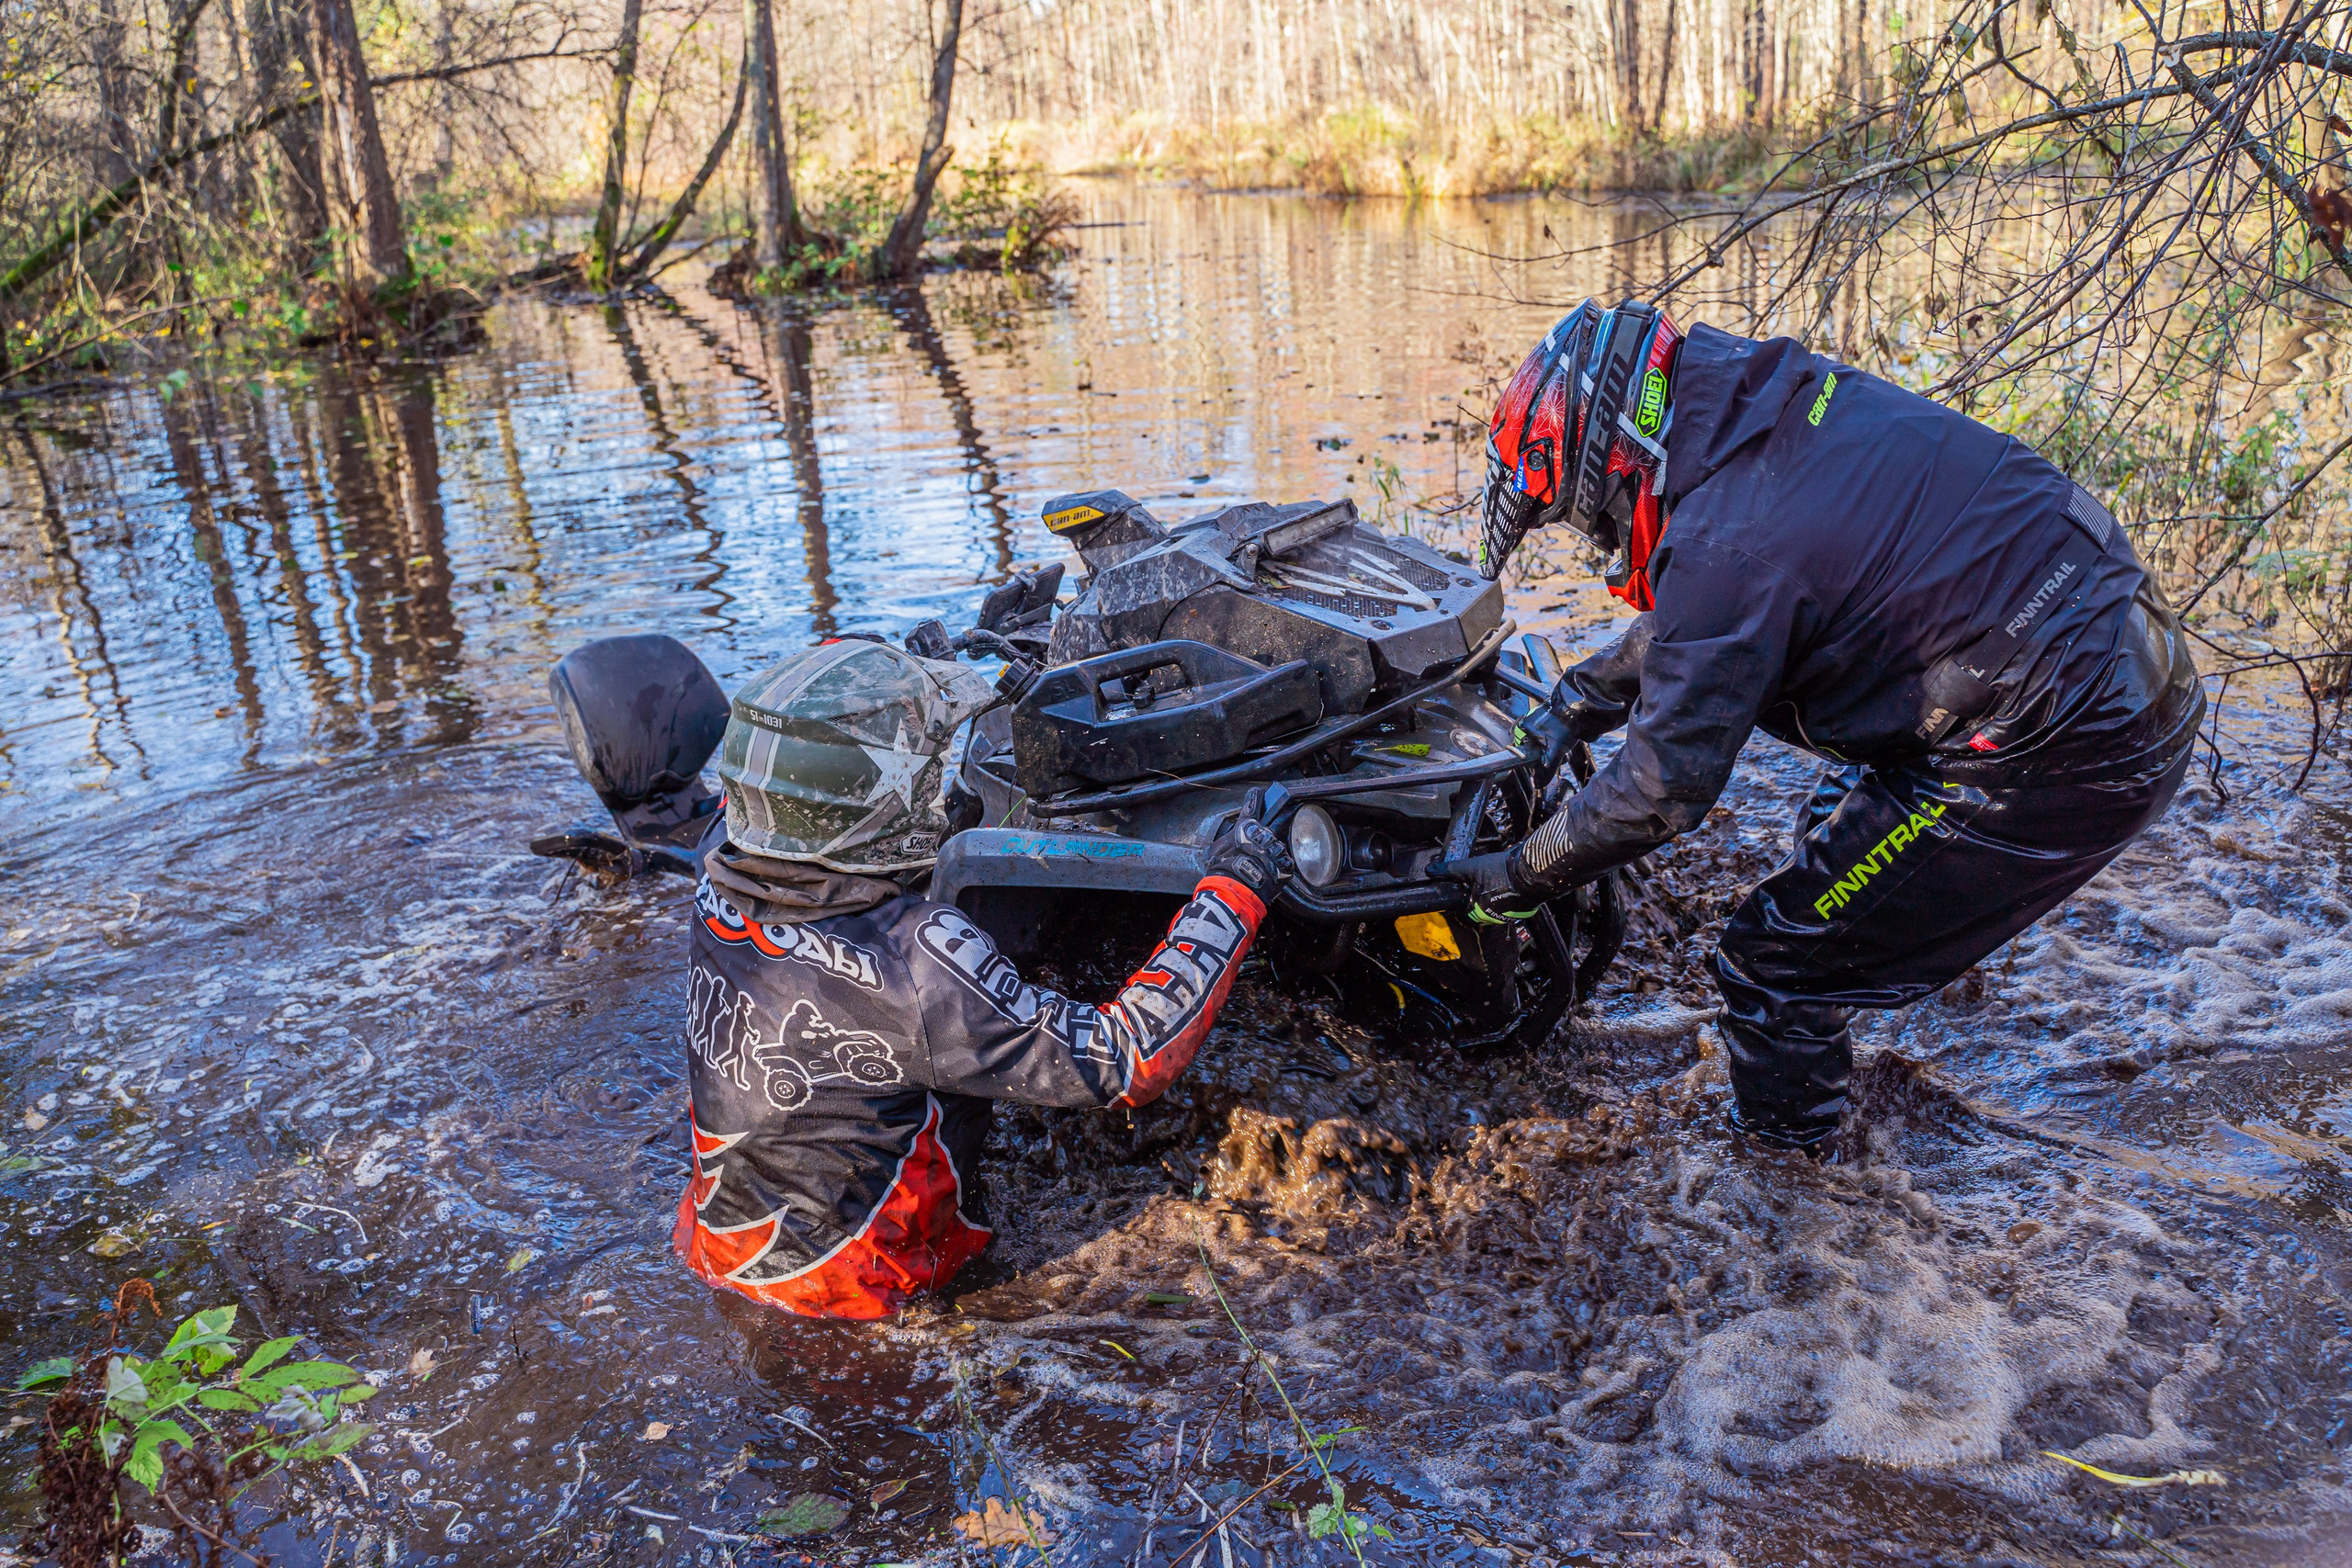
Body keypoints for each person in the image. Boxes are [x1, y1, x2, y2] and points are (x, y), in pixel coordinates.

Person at [1437, 299, 2204, 1151]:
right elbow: (1731, 606)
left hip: (2064, 726)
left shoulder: (1726, 541)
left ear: (1611, 463)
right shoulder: (1763, 407)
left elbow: (1661, 790)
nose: (1598, 541)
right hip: (2121, 630)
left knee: (1774, 964)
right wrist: (1579, 698)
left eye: (1585, 520)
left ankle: (1794, 1193)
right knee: (1829, 837)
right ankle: (1872, 1024)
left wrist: (1516, 875)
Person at [673, 636, 1295, 1317]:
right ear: (873, 812)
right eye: (926, 776)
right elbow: (1129, 1056)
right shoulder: (918, 964)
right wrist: (1235, 888)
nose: (935, 786)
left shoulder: (718, 866)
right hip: (859, 1299)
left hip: (718, 1248)